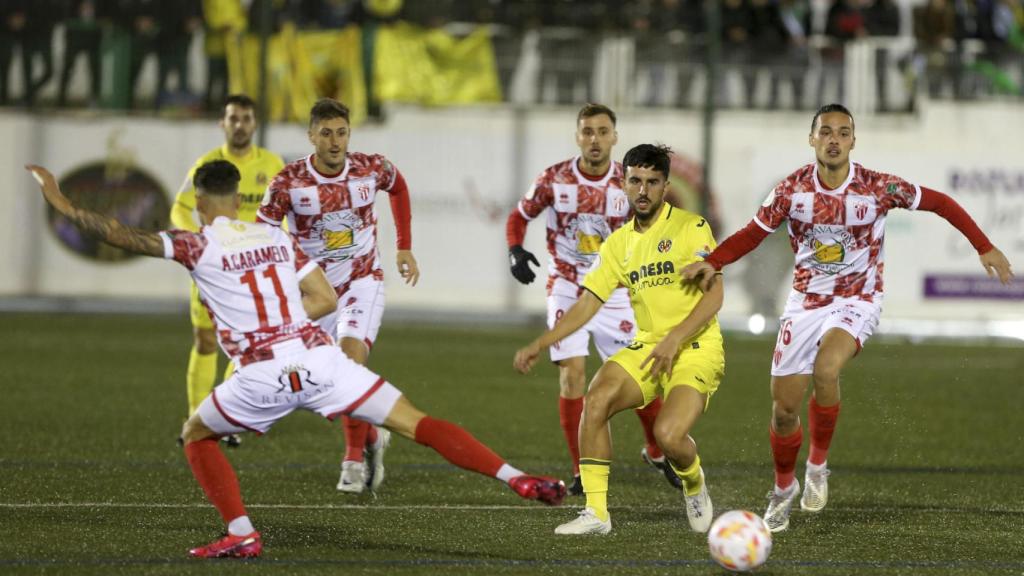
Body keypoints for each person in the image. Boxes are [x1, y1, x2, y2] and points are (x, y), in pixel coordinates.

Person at [26, 160, 566, 559]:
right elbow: (327, 300)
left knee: (196, 433)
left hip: (261, 372)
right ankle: (517, 478)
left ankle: (241, 534)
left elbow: (121, 235)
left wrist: (62, 203)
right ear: (238, 198)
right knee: (417, 422)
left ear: (197, 200)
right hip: (319, 358)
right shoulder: (277, 238)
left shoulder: (196, 244)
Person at [682, 103, 1014, 533]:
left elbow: (941, 202)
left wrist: (983, 245)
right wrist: (716, 261)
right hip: (804, 303)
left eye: (843, 132)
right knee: (783, 411)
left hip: (858, 300)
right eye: (826, 132)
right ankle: (784, 490)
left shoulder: (876, 187)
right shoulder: (791, 190)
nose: (834, 139)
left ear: (853, 141)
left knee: (827, 368)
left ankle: (817, 466)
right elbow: (752, 233)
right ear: (812, 139)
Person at [514, 144, 725, 535]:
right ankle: (597, 513)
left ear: (665, 186)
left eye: (652, 182)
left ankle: (694, 483)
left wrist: (676, 338)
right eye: (635, 181)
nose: (642, 190)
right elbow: (587, 303)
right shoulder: (618, 244)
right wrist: (541, 344)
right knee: (595, 400)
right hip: (648, 345)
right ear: (623, 183)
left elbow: (715, 295)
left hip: (695, 346)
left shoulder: (690, 227)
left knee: (668, 435)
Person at [506, 103, 682, 496]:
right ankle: (582, 471)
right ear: (577, 136)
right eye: (587, 131)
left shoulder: (630, 183)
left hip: (618, 292)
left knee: (642, 377)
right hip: (567, 286)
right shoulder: (554, 179)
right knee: (572, 375)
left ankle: (655, 449)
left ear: (614, 137)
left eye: (603, 131)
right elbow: (519, 216)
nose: (595, 139)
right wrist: (515, 249)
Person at [258, 97, 419, 494]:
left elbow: (398, 187)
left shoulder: (370, 168)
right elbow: (262, 232)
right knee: (319, 384)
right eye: (326, 133)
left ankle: (351, 462)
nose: (334, 141)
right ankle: (371, 439)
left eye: (341, 132)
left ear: (350, 134)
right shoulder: (287, 182)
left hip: (363, 283)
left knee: (351, 361)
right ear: (311, 135)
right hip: (314, 293)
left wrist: (403, 246)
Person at [171, 94, 285, 447]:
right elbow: (180, 207)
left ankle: (227, 416)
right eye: (233, 118)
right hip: (213, 267)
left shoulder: (272, 163)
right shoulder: (207, 165)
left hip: (251, 270)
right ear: (223, 123)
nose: (240, 125)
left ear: (255, 123)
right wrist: (197, 241)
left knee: (245, 347)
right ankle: (195, 416)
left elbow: (282, 211)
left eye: (246, 118)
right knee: (205, 340)